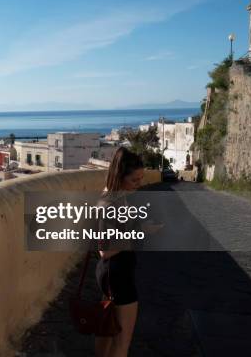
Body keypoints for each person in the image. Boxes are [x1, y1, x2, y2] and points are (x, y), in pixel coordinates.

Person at [94, 147, 144, 357]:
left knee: (106, 329)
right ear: (120, 177)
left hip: (112, 274)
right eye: (134, 180)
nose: (139, 184)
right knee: (122, 341)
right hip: (117, 275)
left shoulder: (115, 197)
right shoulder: (110, 203)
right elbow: (104, 250)